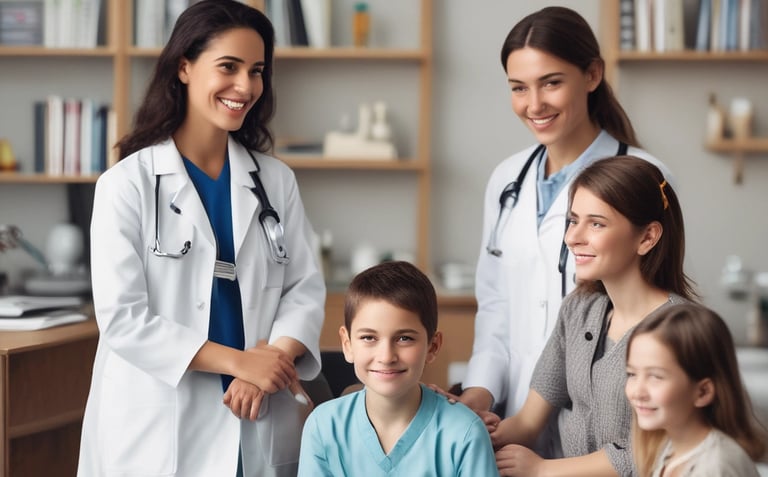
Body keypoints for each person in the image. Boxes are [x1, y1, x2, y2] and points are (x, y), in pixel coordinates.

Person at [77, 2, 325, 476]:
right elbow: (123, 319)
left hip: (255, 408)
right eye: (228, 67)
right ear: (184, 67)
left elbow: (304, 288)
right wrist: (241, 363)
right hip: (158, 423)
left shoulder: (275, 181)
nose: (245, 86)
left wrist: (270, 361)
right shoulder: (126, 184)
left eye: (256, 71)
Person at [456, 5, 673, 455]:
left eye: (551, 82)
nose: (534, 104)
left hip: (608, 424)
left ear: (592, 75)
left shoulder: (643, 175)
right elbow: (495, 306)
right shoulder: (506, 180)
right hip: (516, 414)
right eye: (519, 87)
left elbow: (658, 306)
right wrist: (479, 393)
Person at [490, 156, 697, 476]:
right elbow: (528, 423)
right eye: (573, 220)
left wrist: (542, 469)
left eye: (596, 223)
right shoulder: (578, 309)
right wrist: (468, 429)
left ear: (647, 237)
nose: (572, 237)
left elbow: (657, 450)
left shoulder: (682, 329)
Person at [298, 261, 499, 476]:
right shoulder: (323, 426)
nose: (386, 357)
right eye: (369, 337)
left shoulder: (465, 432)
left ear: (432, 346)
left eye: (404, 338)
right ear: (347, 345)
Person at [626, 303, 767, 476]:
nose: (637, 392)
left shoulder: (716, 467)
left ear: (703, 392)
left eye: (656, 376)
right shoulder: (670, 451)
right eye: (631, 374)